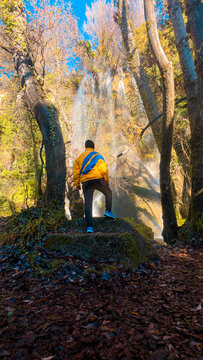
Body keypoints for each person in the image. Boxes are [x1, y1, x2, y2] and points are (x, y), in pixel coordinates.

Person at [73, 139, 115, 233]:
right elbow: (104, 169)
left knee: (88, 204)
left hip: (86, 182)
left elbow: (75, 172)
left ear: (85, 147)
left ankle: (89, 227)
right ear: (93, 147)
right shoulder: (97, 155)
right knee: (108, 192)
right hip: (98, 180)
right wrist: (106, 181)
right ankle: (108, 211)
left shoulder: (79, 158)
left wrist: (77, 184)